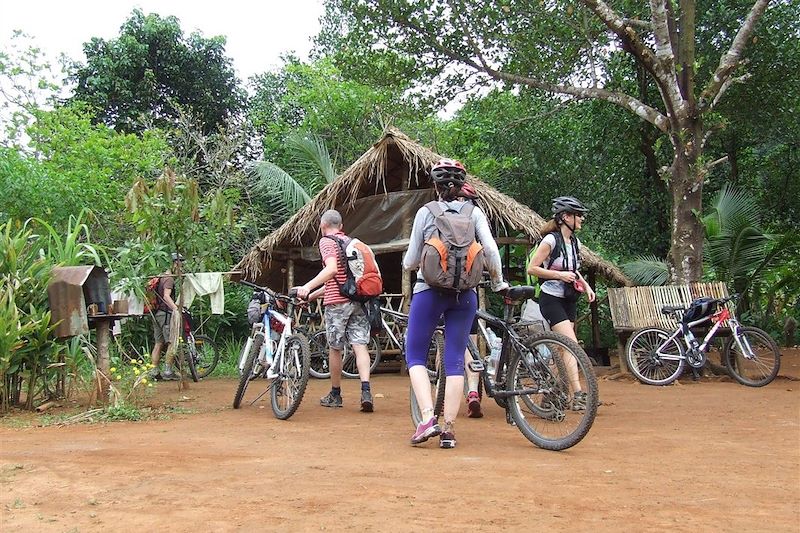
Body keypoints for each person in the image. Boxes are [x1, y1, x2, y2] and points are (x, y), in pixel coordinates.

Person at [404, 159, 507, 449]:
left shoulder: (426, 212)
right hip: (466, 295)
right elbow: (490, 251)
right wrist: (498, 283)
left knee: (414, 355)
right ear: (461, 186)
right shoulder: (475, 213)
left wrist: (411, 264)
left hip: (429, 291)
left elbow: (411, 260)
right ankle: (448, 429)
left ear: (435, 186)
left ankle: (427, 419)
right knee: (454, 360)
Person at [296, 209, 375, 412]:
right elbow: (338, 281)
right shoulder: (350, 243)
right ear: (341, 226)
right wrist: (312, 296)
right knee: (360, 345)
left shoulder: (327, 241)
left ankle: (335, 393)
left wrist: (307, 287)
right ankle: (366, 391)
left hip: (337, 305)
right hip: (358, 300)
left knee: (335, 347)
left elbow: (331, 270)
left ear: (322, 226)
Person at [526, 196, 596, 410]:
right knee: (571, 344)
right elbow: (533, 268)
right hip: (551, 300)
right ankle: (578, 395)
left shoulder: (575, 242)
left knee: (565, 348)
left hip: (569, 299)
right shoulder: (550, 241)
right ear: (566, 217)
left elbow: (574, 270)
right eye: (578, 215)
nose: (581, 219)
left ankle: (558, 390)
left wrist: (586, 286)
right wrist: (559, 276)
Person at [148, 253, 184, 381]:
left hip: (156, 313)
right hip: (165, 314)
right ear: (175, 263)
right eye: (180, 264)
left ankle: (154, 371)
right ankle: (168, 371)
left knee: (158, 343)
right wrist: (175, 309)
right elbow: (166, 296)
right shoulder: (169, 279)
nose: (181, 267)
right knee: (171, 342)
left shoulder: (161, 277)